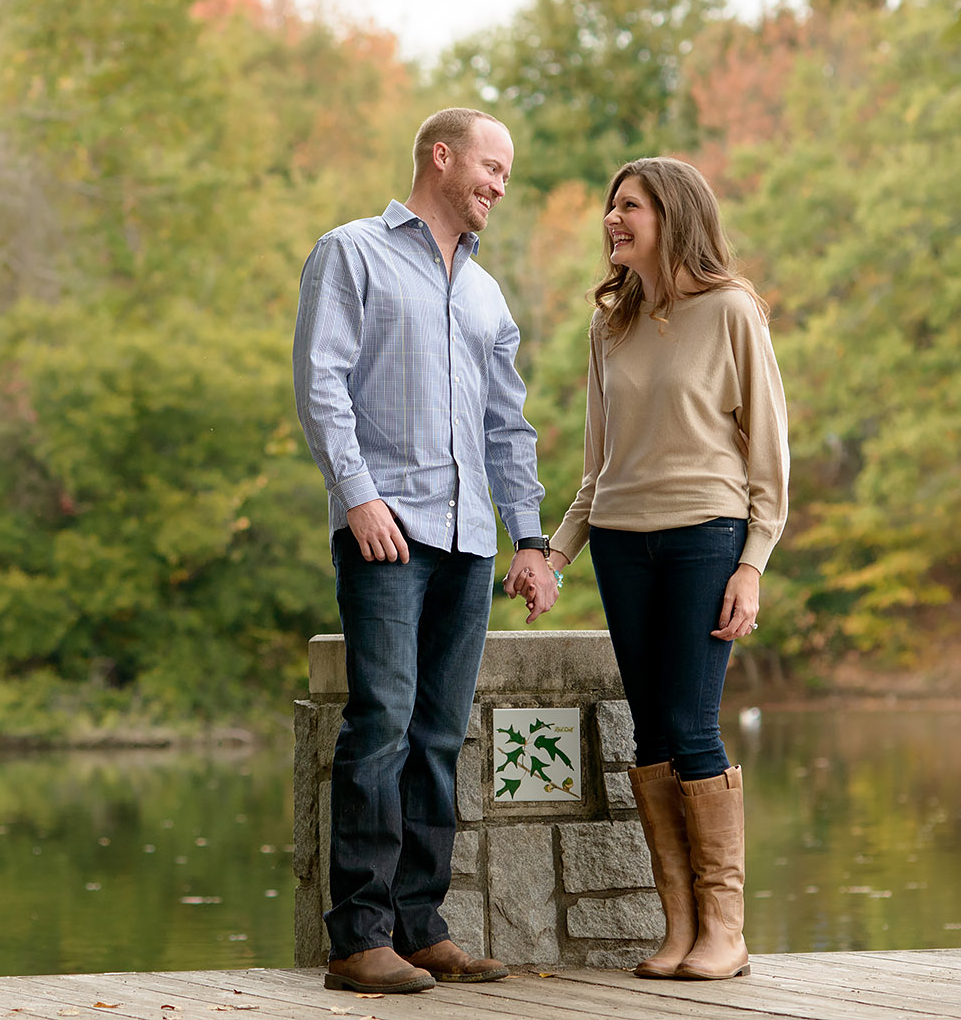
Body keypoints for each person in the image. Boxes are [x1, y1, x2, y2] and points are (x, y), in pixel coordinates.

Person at [292, 108, 558, 995]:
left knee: (439, 735)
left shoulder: (486, 292)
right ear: (440, 157)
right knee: (383, 726)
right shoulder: (351, 252)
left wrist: (530, 536)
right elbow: (321, 381)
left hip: (469, 541)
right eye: (491, 167)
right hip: (388, 530)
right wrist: (358, 495)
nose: (499, 185)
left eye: (508, 176)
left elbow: (506, 425)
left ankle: (419, 923)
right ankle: (358, 936)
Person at [544, 156, 788, 982]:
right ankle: (680, 928)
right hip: (621, 540)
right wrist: (556, 552)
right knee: (650, 733)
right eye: (611, 206)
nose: (614, 219)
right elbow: (596, 465)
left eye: (631, 206)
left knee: (690, 725)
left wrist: (751, 563)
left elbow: (770, 458)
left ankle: (727, 928)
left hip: (704, 537)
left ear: (673, 215)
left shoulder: (730, 311)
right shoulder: (607, 325)